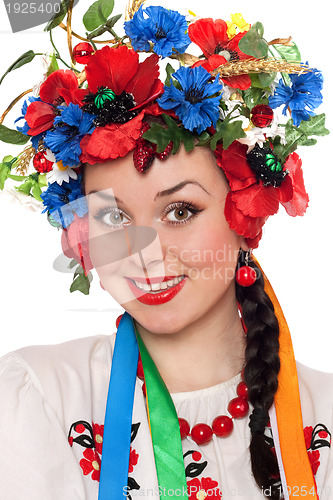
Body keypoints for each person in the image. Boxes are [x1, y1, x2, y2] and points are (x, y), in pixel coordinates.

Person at [0, 2, 332, 499]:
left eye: (180, 211)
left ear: (246, 211)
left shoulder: (325, 409)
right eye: (112, 217)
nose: (145, 255)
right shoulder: (39, 397)